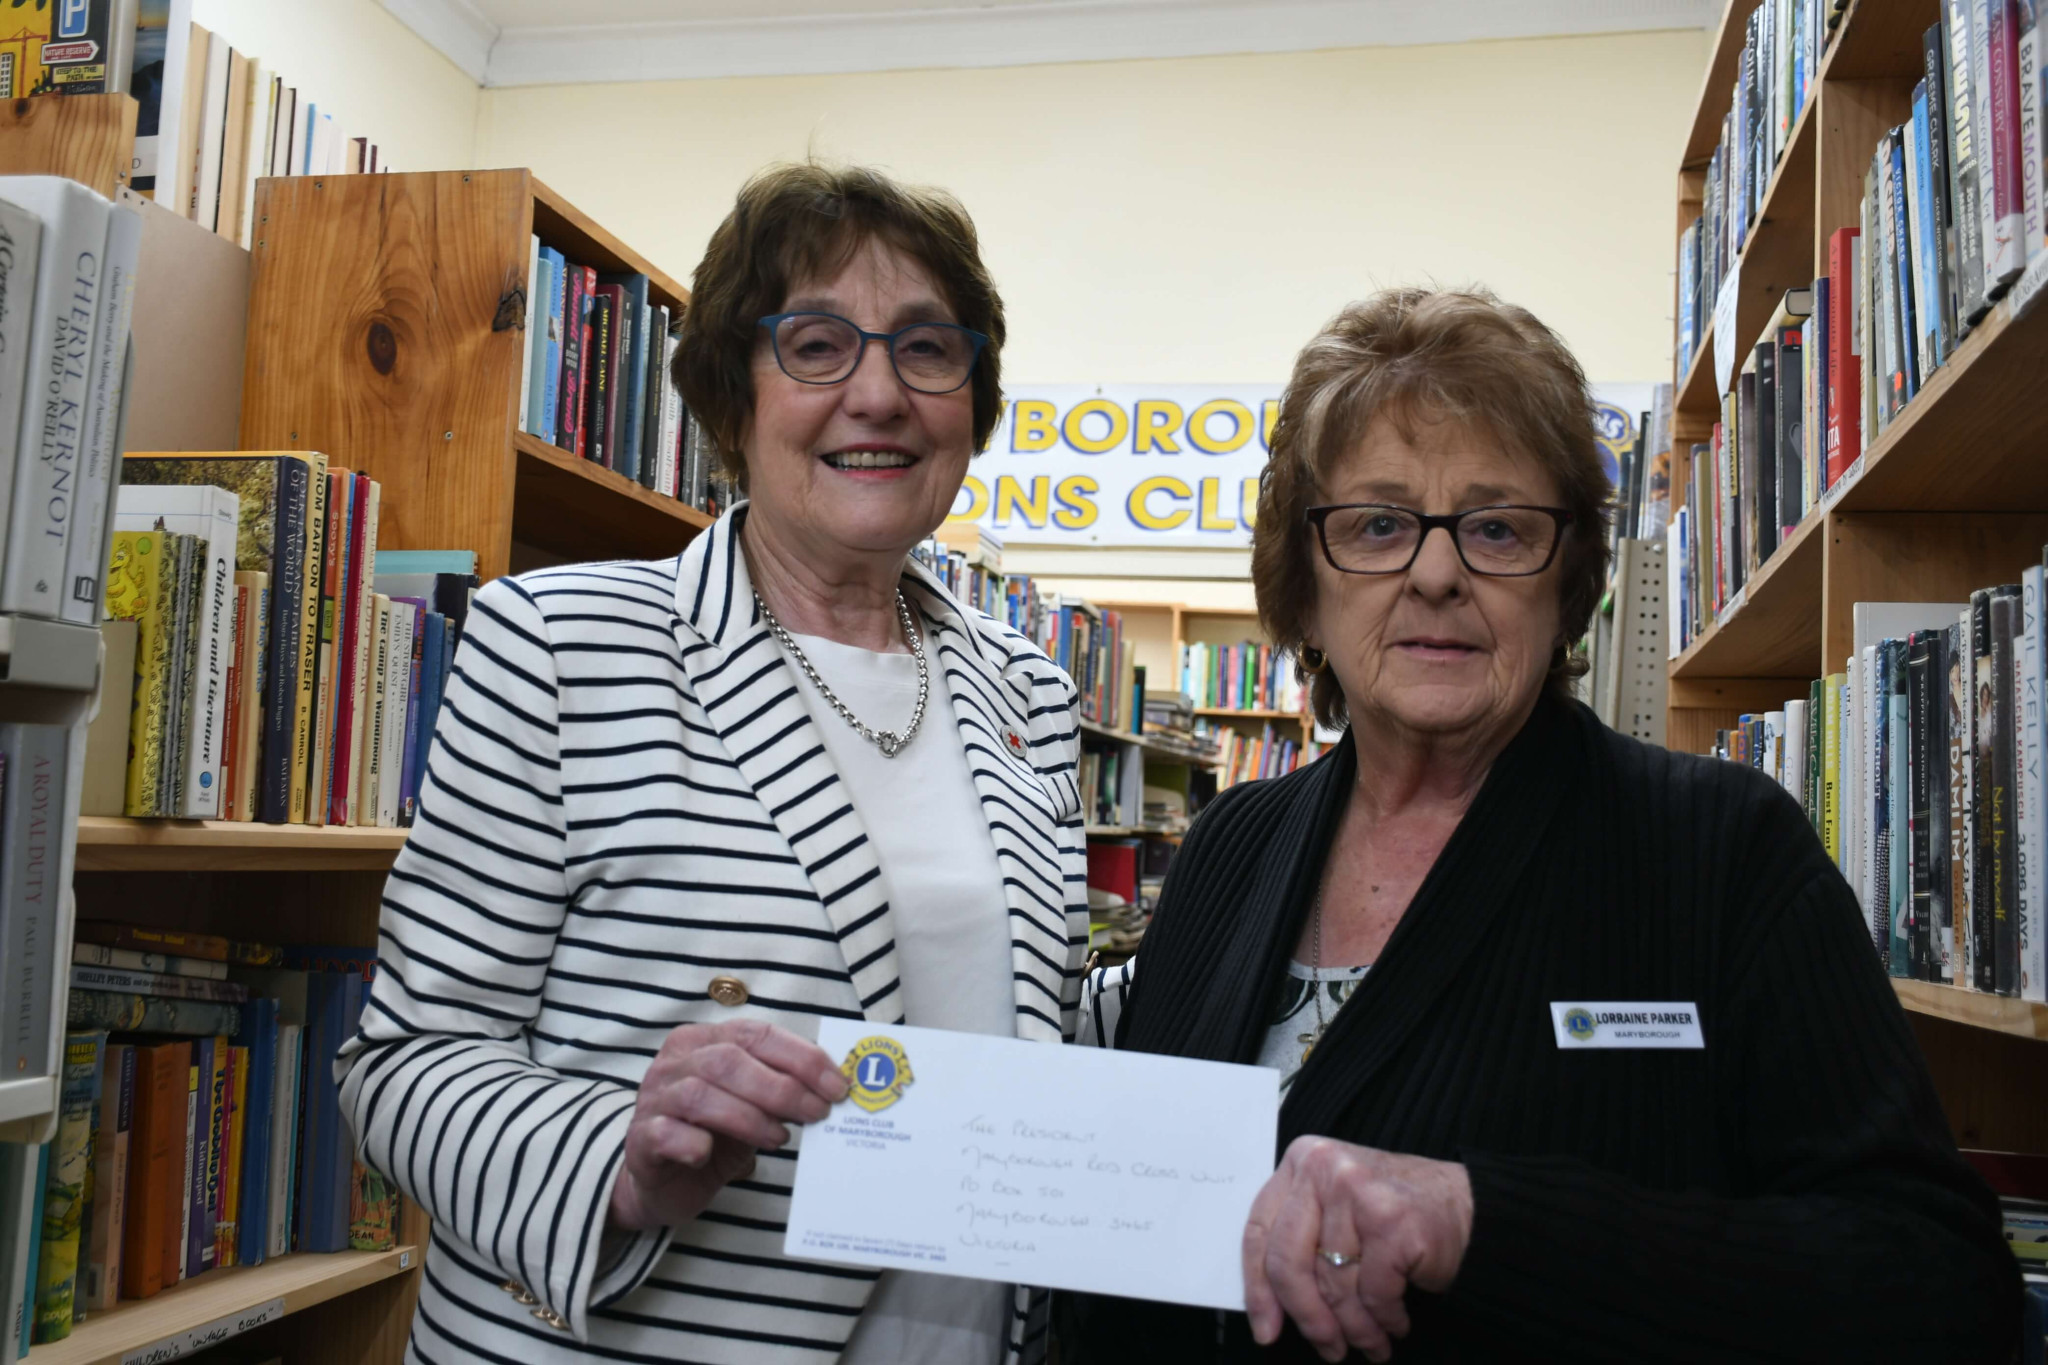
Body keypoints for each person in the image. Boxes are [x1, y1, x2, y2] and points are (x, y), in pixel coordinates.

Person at [1064, 287, 2018, 1362]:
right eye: (1376, 524)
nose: (1434, 574)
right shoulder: (1231, 848)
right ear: (1304, 581)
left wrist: (1482, 1223)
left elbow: (1937, 1283)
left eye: (1496, 528)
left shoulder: (1718, 852)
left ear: (1565, 582)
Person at [338, 163, 1089, 1365]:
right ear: (732, 392)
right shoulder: (560, 643)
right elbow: (405, 1066)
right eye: (817, 345)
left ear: (973, 400)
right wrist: (619, 1163)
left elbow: (1020, 1031)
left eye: (928, 351)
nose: (879, 395)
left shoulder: (1029, 693)